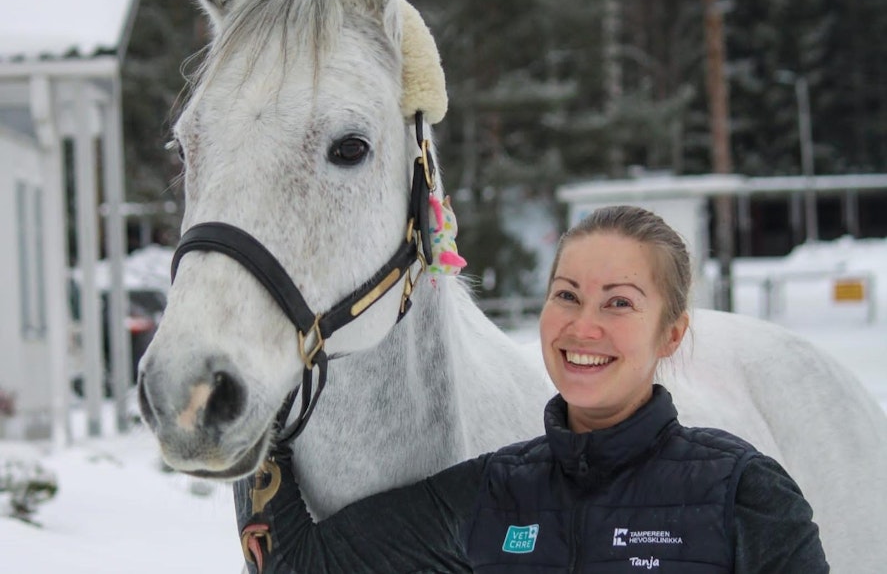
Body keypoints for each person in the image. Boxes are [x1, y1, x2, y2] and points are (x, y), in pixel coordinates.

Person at [234, 205, 828, 573]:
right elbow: (299, 565)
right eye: (566, 295)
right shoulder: (490, 493)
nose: (582, 325)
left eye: (618, 302)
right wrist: (243, 396)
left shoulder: (745, 492)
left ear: (671, 335)